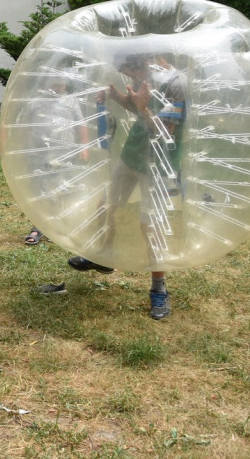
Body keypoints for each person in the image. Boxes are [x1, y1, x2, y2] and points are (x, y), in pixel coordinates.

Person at [66, 53, 186, 320]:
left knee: (150, 225)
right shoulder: (148, 77)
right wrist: (118, 97)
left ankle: (159, 289)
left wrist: (142, 107)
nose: (132, 77)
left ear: (150, 60)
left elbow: (166, 132)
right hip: (133, 152)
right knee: (106, 203)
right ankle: (103, 256)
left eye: (132, 72)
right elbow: (141, 113)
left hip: (158, 162)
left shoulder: (176, 83)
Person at [24, 77, 90, 246]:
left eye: (61, 84)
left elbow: (81, 125)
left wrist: (84, 147)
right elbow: (23, 126)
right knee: (38, 188)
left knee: (61, 188)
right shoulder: (35, 102)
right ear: (45, 83)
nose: (59, 87)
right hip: (38, 152)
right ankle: (38, 226)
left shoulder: (71, 101)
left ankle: (57, 226)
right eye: (54, 83)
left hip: (63, 152)